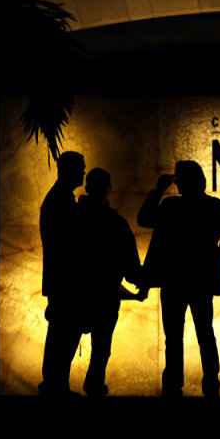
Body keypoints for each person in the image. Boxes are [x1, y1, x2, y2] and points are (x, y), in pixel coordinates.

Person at [137, 160, 220, 398]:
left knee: (175, 336)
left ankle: (174, 385)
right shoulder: (213, 207)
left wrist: (158, 190)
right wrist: (215, 258)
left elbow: (144, 218)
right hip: (200, 279)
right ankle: (210, 383)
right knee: (204, 333)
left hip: (174, 279)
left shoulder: (170, 206)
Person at [76, 168, 145, 398]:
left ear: (87, 188)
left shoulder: (73, 217)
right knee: (101, 347)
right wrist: (140, 282)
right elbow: (130, 261)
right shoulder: (115, 222)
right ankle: (94, 387)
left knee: (67, 345)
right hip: (106, 294)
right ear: (110, 188)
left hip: (76, 292)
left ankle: (59, 394)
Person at [38, 151, 87, 399]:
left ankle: (57, 385)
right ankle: (55, 386)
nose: (83, 172)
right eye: (80, 168)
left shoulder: (59, 198)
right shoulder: (61, 200)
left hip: (61, 279)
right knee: (63, 334)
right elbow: (69, 242)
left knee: (63, 333)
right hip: (65, 280)